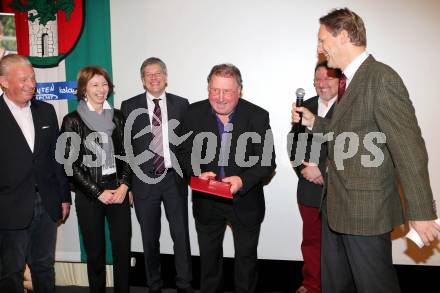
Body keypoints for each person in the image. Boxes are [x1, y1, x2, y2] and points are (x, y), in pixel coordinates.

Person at [292, 8, 440, 293]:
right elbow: (351, 133)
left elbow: (410, 149)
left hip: (365, 215)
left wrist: (421, 213)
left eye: (323, 40)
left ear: (345, 36)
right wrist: (315, 122)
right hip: (336, 208)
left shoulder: (380, 78)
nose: (319, 49)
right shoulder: (351, 80)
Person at [177, 63, 276, 293]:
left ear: (239, 91)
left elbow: (267, 161)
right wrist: (196, 172)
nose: (220, 97)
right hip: (207, 200)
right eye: (215, 90)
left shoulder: (258, 116)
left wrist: (242, 181)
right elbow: (180, 152)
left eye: (227, 91)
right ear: (208, 89)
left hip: (245, 201)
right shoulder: (192, 114)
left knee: (246, 262)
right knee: (209, 264)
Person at [120, 57, 193, 293]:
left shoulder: (182, 104)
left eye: (158, 73)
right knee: (149, 239)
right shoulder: (128, 106)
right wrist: (127, 184)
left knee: (181, 237)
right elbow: (125, 148)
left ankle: (184, 284)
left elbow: (190, 144)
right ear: (143, 80)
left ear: (166, 77)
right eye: (148, 74)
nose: (154, 78)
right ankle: (154, 285)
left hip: (175, 180)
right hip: (143, 183)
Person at [0, 54, 71, 293]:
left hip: (47, 204)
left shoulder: (47, 111)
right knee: (10, 270)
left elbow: (56, 159)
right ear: (4, 81)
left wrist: (64, 197)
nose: (31, 84)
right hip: (9, 208)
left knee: (43, 265)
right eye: (23, 79)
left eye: (33, 78)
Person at [60, 66, 131, 293]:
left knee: (122, 250)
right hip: (90, 195)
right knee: (96, 253)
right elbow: (69, 165)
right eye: (95, 85)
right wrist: (97, 192)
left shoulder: (118, 116)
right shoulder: (72, 120)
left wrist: (125, 185)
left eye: (104, 84)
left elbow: (128, 155)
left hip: (118, 190)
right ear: (83, 89)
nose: (101, 90)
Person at [289, 61, 340, 293]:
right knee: (311, 241)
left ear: (339, 81)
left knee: (340, 245)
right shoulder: (305, 107)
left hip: (341, 189)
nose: (322, 84)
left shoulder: (350, 106)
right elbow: (294, 142)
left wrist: (323, 169)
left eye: (327, 79)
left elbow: (352, 144)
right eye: (318, 79)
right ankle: (312, 285)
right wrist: (304, 170)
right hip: (309, 188)